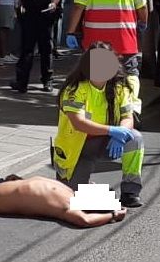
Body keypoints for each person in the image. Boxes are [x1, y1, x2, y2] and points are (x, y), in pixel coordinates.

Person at [52, 42, 145, 208]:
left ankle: (130, 192)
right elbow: (78, 123)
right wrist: (112, 131)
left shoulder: (120, 87)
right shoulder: (75, 89)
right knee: (71, 199)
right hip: (77, 150)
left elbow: (128, 117)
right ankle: (98, 190)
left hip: (106, 143)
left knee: (135, 138)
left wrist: (121, 133)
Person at [65, 0, 148, 125]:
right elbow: (142, 7)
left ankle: (96, 114)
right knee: (130, 75)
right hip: (124, 42)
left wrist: (70, 32)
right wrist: (142, 23)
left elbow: (78, 7)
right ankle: (130, 107)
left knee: (95, 79)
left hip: (96, 44)